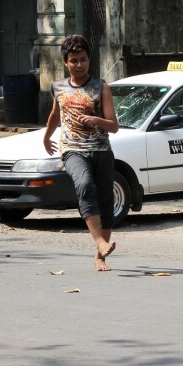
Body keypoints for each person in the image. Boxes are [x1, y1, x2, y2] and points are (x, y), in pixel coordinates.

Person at [43, 35, 120, 271]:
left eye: (83, 59)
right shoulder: (58, 87)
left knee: (106, 201)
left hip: (101, 150)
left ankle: (100, 256)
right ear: (66, 62)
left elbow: (114, 126)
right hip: (73, 150)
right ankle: (99, 240)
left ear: (89, 60)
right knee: (85, 185)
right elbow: (55, 115)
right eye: (74, 60)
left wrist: (97, 120)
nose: (79, 64)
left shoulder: (101, 86)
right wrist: (46, 137)